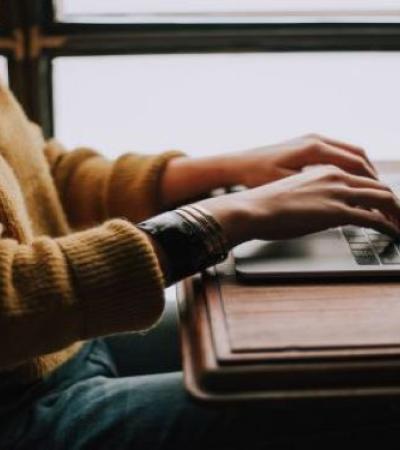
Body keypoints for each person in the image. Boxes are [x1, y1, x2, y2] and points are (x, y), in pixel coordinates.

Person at [0, 80, 399, 450]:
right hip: (20, 413)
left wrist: (228, 170)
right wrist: (221, 219)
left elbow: (44, 174)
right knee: (375, 396)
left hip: (62, 344)